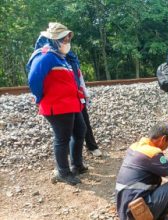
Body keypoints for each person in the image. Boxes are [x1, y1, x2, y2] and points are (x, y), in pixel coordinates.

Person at [27, 22, 87, 185]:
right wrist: (41, 98)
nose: (67, 42)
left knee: (81, 130)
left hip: (71, 104)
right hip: (57, 106)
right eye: (64, 39)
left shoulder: (60, 57)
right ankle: (63, 172)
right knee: (62, 138)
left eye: (68, 39)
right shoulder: (45, 56)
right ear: (55, 40)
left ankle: (77, 165)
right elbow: (33, 80)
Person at [116, 123, 168, 220]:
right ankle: (157, 216)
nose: (166, 147)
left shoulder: (135, 147)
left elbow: (150, 164)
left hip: (125, 210)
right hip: (138, 211)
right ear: (163, 139)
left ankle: (157, 215)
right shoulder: (154, 154)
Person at [66, 51, 103, 157]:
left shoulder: (72, 58)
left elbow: (79, 77)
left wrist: (86, 95)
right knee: (66, 130)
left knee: (84, 124)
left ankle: (92, 147)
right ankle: (68, 157)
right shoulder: (52, 58)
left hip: (78, 96)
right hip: (65, 99)